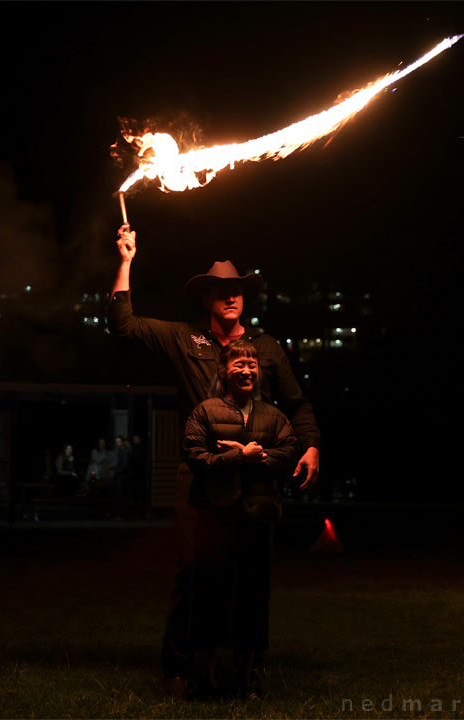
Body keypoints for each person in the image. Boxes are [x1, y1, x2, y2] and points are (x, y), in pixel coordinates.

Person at [107, 223, 320, 693]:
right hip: (199, 474)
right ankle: (180, 667)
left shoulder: (263, 349)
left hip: (256, 474)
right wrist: (126, 260)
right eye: (221, 292)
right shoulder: (184, 339)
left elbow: (297, 403)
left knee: (253, 572)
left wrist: (310, 445)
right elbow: (123, 325)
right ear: (206, 299)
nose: (231, 297)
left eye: (237, 291)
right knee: (193, 568)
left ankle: (249, 670)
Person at [182, 339, 298, 698]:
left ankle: (245, 679)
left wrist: (259, 457)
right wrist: (237, 459)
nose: (246, 370)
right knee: (209, 596)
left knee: (253, 598)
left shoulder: (273, 415)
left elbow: (288, 452)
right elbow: (194, 456)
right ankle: (205, 680)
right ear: (223, 371)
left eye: (252, 364)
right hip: (215, 518)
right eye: (238, 364)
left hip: (257, 520)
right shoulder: (205, 411)